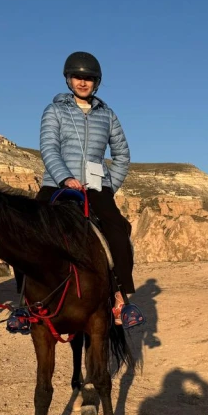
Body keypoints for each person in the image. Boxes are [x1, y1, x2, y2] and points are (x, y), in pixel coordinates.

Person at [34, 51, 144, 327]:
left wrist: (109, 185)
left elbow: (122, 155)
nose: (83, 82)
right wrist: (64, 178)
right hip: (56, 184)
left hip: (96, 186)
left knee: (118, 230)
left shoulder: (107, 115)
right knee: (29, 229)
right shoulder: (54, 110)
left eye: (89, 78)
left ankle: (120, 298)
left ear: (97, 82)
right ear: (68, 79)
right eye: (77, 77)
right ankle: (27, 303)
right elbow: (49, 148)